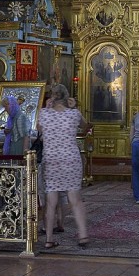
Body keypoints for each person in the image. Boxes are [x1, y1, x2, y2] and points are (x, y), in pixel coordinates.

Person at [37, 84, 90, 249]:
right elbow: (86, 126)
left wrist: (47, 107)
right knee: (75, 199)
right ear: (67, 97)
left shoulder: (44, 114)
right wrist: (74, 107)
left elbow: (39, 130)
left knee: (51, 200)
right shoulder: (73, 114)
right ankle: (83, 235)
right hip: (70, 159)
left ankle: (49, 239)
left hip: (51, 159)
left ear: (51, 97)